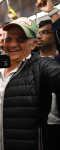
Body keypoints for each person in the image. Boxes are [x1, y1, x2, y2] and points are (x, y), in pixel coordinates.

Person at [0, 16, 60, 150]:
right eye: (8, 39)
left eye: (21, 39)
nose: (12, 44)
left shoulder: (41, 66)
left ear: (33, 44)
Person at [36, 19, 60, 150]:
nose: (39, 36)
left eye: (45, 32)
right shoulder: (31, 62)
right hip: (41, 123)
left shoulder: (58, 61)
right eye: (38, 33)